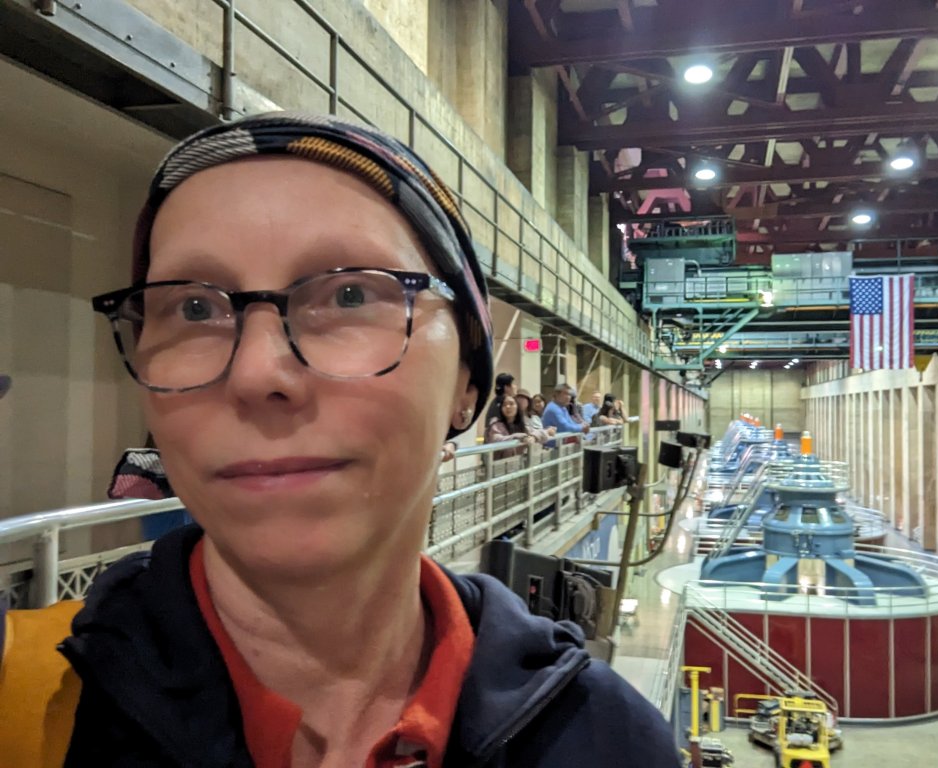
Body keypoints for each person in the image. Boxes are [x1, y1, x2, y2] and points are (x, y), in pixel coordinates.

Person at [0, 112, 680, 768]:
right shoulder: (23, 702)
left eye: (350, 294)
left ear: (467, 381)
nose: (256, 372)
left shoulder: (605, 740)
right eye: (194, 308)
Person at [485, 394, 536, 459]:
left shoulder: (522, 424)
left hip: (519, 462)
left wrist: (534, 437)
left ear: (517, 407)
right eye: (504, 405)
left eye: (511, 404)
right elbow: (497, 439)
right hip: (500, 463)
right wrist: (519, 437)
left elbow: (534, 433)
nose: (508, 407)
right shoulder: (496, 425)